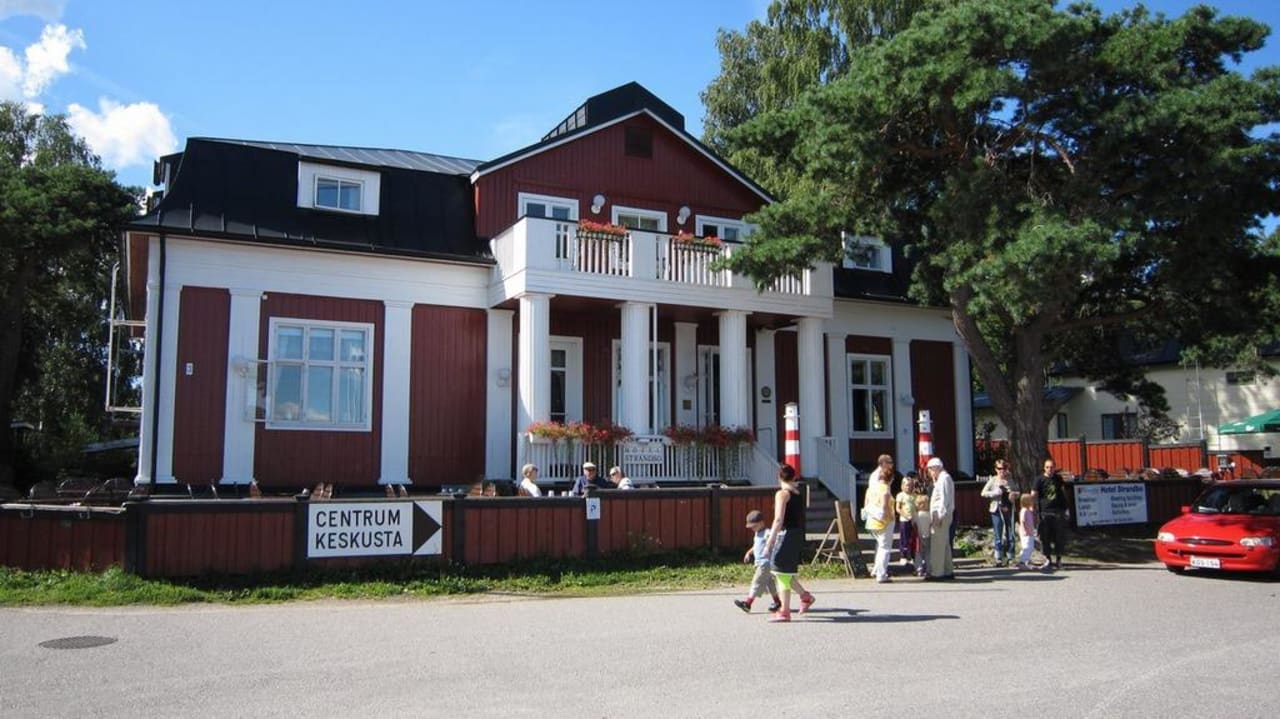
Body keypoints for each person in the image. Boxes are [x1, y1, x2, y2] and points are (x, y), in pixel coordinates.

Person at [760, 464, 816, 622]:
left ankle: (784, 611)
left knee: (780, 571)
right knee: (784, 570)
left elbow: (778, 519)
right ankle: (805, 596)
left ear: (779, 477)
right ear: (794, 477)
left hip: (786, 535)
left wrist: (769, 542)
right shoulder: (798, 493)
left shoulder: (782, 494)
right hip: (797, 534)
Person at [734, 509, 782, 614]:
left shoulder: (766, 532)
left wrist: (772, 542)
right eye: (751, 527)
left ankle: (748, 603)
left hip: (765, 563)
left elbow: (775, 537)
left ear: (761, 523)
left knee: (757, 582)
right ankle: (778, 602)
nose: (752, 529)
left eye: (754, 526)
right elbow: (756, 546)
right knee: (770, 584)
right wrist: (749, 553)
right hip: (760, 563)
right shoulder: (757, 533)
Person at [864, 454, 897, 584]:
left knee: (880, 546)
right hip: (883, 521)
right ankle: (881, 574)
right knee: (885, 547)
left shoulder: (874, 486)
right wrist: (887, 515)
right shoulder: (885, 489)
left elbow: (868, 498)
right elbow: (884, 506)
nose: (892, 464)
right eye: (890, 462)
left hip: (873, 520)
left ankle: (877, 570)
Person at [1033, 458, 1069, 570]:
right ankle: (1048, 559)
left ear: (1054, 467)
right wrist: (1033, 509)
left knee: (1059, 537)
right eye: (1047, 467)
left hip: (1058, 511)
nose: (1050, 469)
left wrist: (1066, 509)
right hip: (1045, 511)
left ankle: (1059, 560)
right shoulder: (1039, 479)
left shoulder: (1058, 479)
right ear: (1044, 468)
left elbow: (1063, 493)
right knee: (1045, 537)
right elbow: (1033, 493)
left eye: (1052, 467)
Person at [926, 457, 955, 580]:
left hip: (940, 514)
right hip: (942, 514)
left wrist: (940, 515)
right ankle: (948, 570)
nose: (930, 472)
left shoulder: (944, 478)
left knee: (938, 544)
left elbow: (944, 499)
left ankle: (937, 572)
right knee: (944, 543)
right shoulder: (942, 479)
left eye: (930, 469)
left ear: (936, 468)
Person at [981, 461, 1015, 565]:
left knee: (1010, 533)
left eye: (1004, 468)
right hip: (996, 509)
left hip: (1008, 509)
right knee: (998, 533)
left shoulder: (1010, 480)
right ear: (996, 469)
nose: (1002, 471)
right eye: (999, 468)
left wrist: (1014, 495)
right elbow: (983, 493)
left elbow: (1017, 491)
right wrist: (994, 493)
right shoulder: (993, 480)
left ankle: (1010, 557)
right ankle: (998, 557)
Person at [910, 470, 931, 577]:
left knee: (918, 553)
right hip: (928, 535)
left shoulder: (916, 515)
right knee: (928, 552)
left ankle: (918, 568)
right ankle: (928, 568)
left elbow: (913, 523)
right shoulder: (929, 514)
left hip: (918, 536)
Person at [895, 475, 917, 568]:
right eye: (907, 485)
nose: (909, 487)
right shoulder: (900, 495)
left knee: (913, 539)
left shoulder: (914, 495)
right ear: (903, 486)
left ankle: (913, 556)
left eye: (911, 485)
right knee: (904, 539)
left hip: (914, 520)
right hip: (904, 520)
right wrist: (905, 515)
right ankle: (903, 556)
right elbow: (898, 508)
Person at [1016, 493, 1037, 569]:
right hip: (1026, 532)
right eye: (1031, 500)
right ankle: (1022, 562)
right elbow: (1022, 521)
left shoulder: (1028, 510)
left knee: (1030, 547)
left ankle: (1025, 560)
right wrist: (1025, 530)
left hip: (1030, 532)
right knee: (1027, 547)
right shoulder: (1024, 510)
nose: (1032, 502)